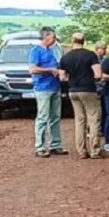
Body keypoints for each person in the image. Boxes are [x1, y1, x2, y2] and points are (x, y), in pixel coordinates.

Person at [59, 32, 108, 159]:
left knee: (79, 120)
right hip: (88, 90)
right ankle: (95, 150)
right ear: (84, 41)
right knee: (93, 119)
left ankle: (81, 151)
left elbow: (62, 77)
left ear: (72, 40)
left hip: (73, 91)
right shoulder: (90, 55)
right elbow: (98, 75)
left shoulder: (65, 57)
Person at [28, 27, 67, 158]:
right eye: (53, 38)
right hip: (43, 88)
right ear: (47, 38)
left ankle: (55, 144)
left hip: (55, 87)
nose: (54, 40)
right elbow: (33, 69)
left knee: (55, 117)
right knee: (42, 117)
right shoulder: (35, 51)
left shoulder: (52, 51)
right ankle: (39, 146)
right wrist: (50, 70)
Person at [94, 41, 107, 137]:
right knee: (96, 111)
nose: (105, 51)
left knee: (104, 110)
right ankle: (95, 130)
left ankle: (103, 129)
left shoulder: (104, 59)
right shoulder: (93, 59)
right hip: (96, 88)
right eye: (103, 48)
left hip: (103, 88)